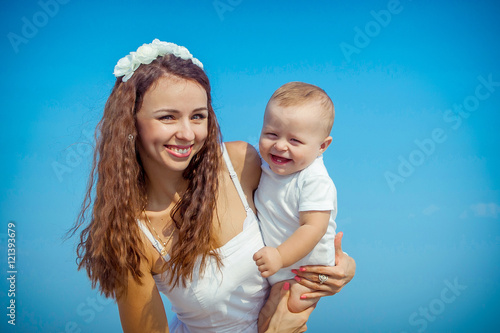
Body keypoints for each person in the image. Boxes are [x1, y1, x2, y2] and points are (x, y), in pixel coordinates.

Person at [70, 39, 355, 333]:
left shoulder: (241, 163)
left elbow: (300, 224)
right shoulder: (132, 237)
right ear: (130, 123)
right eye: (167, 116)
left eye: (198, 116)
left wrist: (338, 271)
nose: (186, 133)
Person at [253, 82, 338, 314]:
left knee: (286, 311)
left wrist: (279, 256)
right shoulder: (264, 166)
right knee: (264, 316)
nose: (280, 145)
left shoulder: (314, 179)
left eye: (295, 141)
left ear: (322, 146)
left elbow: (313, 228)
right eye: (271, 134)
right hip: (277, 269)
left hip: (308, 274)